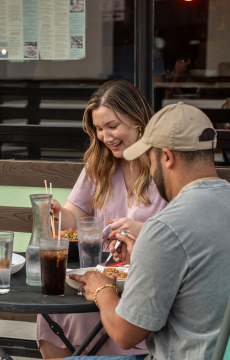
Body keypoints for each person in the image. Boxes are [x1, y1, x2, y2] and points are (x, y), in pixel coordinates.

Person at [60, 102, 230, 360]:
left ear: (166, 158)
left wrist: (102, 289)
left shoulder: (167, 227)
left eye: (149, 157)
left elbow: (124, 335)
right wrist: (145, 255)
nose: (150, 169)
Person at [37, 79, 167, 358]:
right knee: (52, 307)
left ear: (138, 120)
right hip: (103, 274)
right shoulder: (99, 163)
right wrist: (59, 215)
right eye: (98, 128)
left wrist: (144, 230)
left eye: (112, 126)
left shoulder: (164, 166)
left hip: (146, 279)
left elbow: (184, 230)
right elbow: (76, 218)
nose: (105, 136)